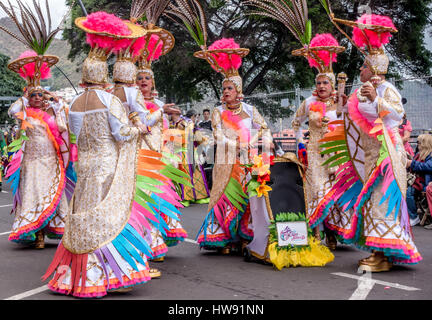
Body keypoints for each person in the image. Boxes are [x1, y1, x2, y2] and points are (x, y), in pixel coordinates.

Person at [42, 11, 157, 297]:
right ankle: (108, 272)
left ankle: (77, 276)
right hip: (107, 164)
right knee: (107, 216)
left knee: (83, 212)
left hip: (85, 166)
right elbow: (121, 134)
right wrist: (141, 127)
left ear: (83, 75)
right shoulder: (109, 100)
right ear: (103, 74)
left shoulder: (75, 102)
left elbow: (74, 136)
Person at [317, 13, 422, 271]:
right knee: (373, 204)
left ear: (373, 69)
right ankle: (380, 252)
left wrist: (376, 98)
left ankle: (383, 256)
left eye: (364, 67)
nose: (360, 70)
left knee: (381, 204)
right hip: (370, 157)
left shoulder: (387, 89)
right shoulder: (360, 92)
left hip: (386, 156)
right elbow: (350, 117)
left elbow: (396, 115)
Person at [192, 38, 273, 254]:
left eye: (230, 88)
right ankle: (226, 238)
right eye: (224, 88)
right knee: (226, 197)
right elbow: (217, 133)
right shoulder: (219, 111)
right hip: (227, 162)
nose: (226, 91)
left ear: (238, 90)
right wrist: (234, 144)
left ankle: (246, 236)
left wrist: (252, 143)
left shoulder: (250, 109)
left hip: (248, 161)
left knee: (249, 199)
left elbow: (264, 128)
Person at [134, 8, 189, 266]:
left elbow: (166, 132)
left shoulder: (160, 104)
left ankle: (156, 242)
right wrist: (159, 113)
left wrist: (173, 153)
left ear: (153, 82)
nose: (143, 80)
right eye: (139, 78)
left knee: (156, 201)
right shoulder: (132, 105)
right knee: (142, 203)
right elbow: (142, 126)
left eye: (147, 77)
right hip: (138, 159)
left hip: (158, 159)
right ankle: (145, 244)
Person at [4, 49, 71, 249]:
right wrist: (26, 95)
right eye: (35, 95)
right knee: (34, 195)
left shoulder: (50, 111)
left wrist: (55, 98)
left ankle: (50, 230)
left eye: (41, 95)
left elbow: (64, 121)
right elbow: (12, 111)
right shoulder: (25, 113)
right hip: (32, 162)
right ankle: (38, 234)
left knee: (50, 195)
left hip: (51, 161)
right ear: (28, 97)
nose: (39, 98)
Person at [290, 33, 346, 250]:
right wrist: (300, 144)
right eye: (319, 82)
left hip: (336, 154)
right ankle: (315, 234)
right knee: (315, 192)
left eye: (325, 82)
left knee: (335, 195)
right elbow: (295, 124)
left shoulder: (340, 103)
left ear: (333, 85)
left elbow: (349, 126)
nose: (322, 86)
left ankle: (332, 235)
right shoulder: (308, 102)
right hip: (313, 154)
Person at [406, 134, 432, 226]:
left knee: (409, 193)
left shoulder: (430, 155)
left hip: (425, 182)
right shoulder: (418, 154)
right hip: (418, 180)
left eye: (419, 142)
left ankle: (414, 217)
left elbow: (428, 166)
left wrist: (412, 163)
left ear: (425, 144)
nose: (417, 144)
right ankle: (410, 215)